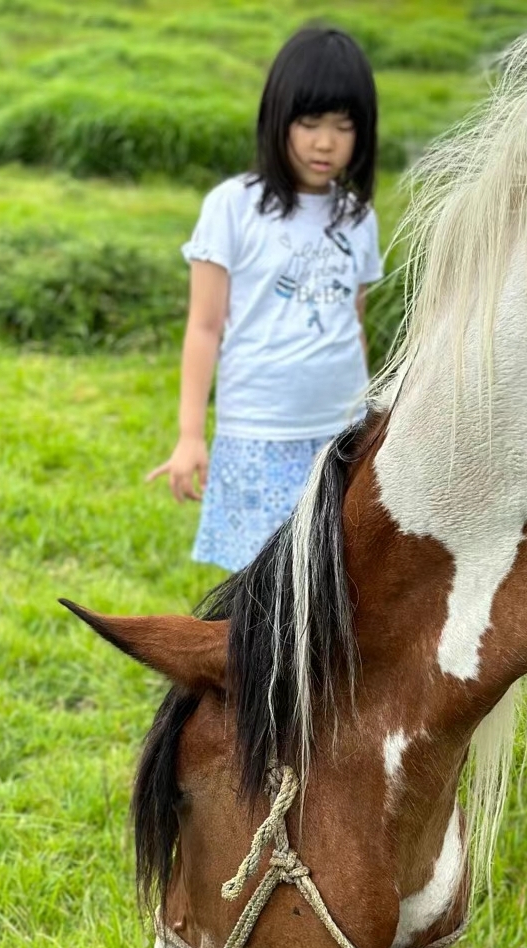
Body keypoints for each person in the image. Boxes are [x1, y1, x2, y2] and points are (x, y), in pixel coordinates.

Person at [146, 26, 383, 573]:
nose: (326, 143)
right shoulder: (233, 207)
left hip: (341, 436)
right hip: (259, 433)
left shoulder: (358, 218)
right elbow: (204, 327)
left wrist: (369, 423)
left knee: (337, 581)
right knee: (260, 590)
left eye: (343, 127)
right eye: (310, 123)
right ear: (278, 117)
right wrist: (189, 436)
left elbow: (355, 323)